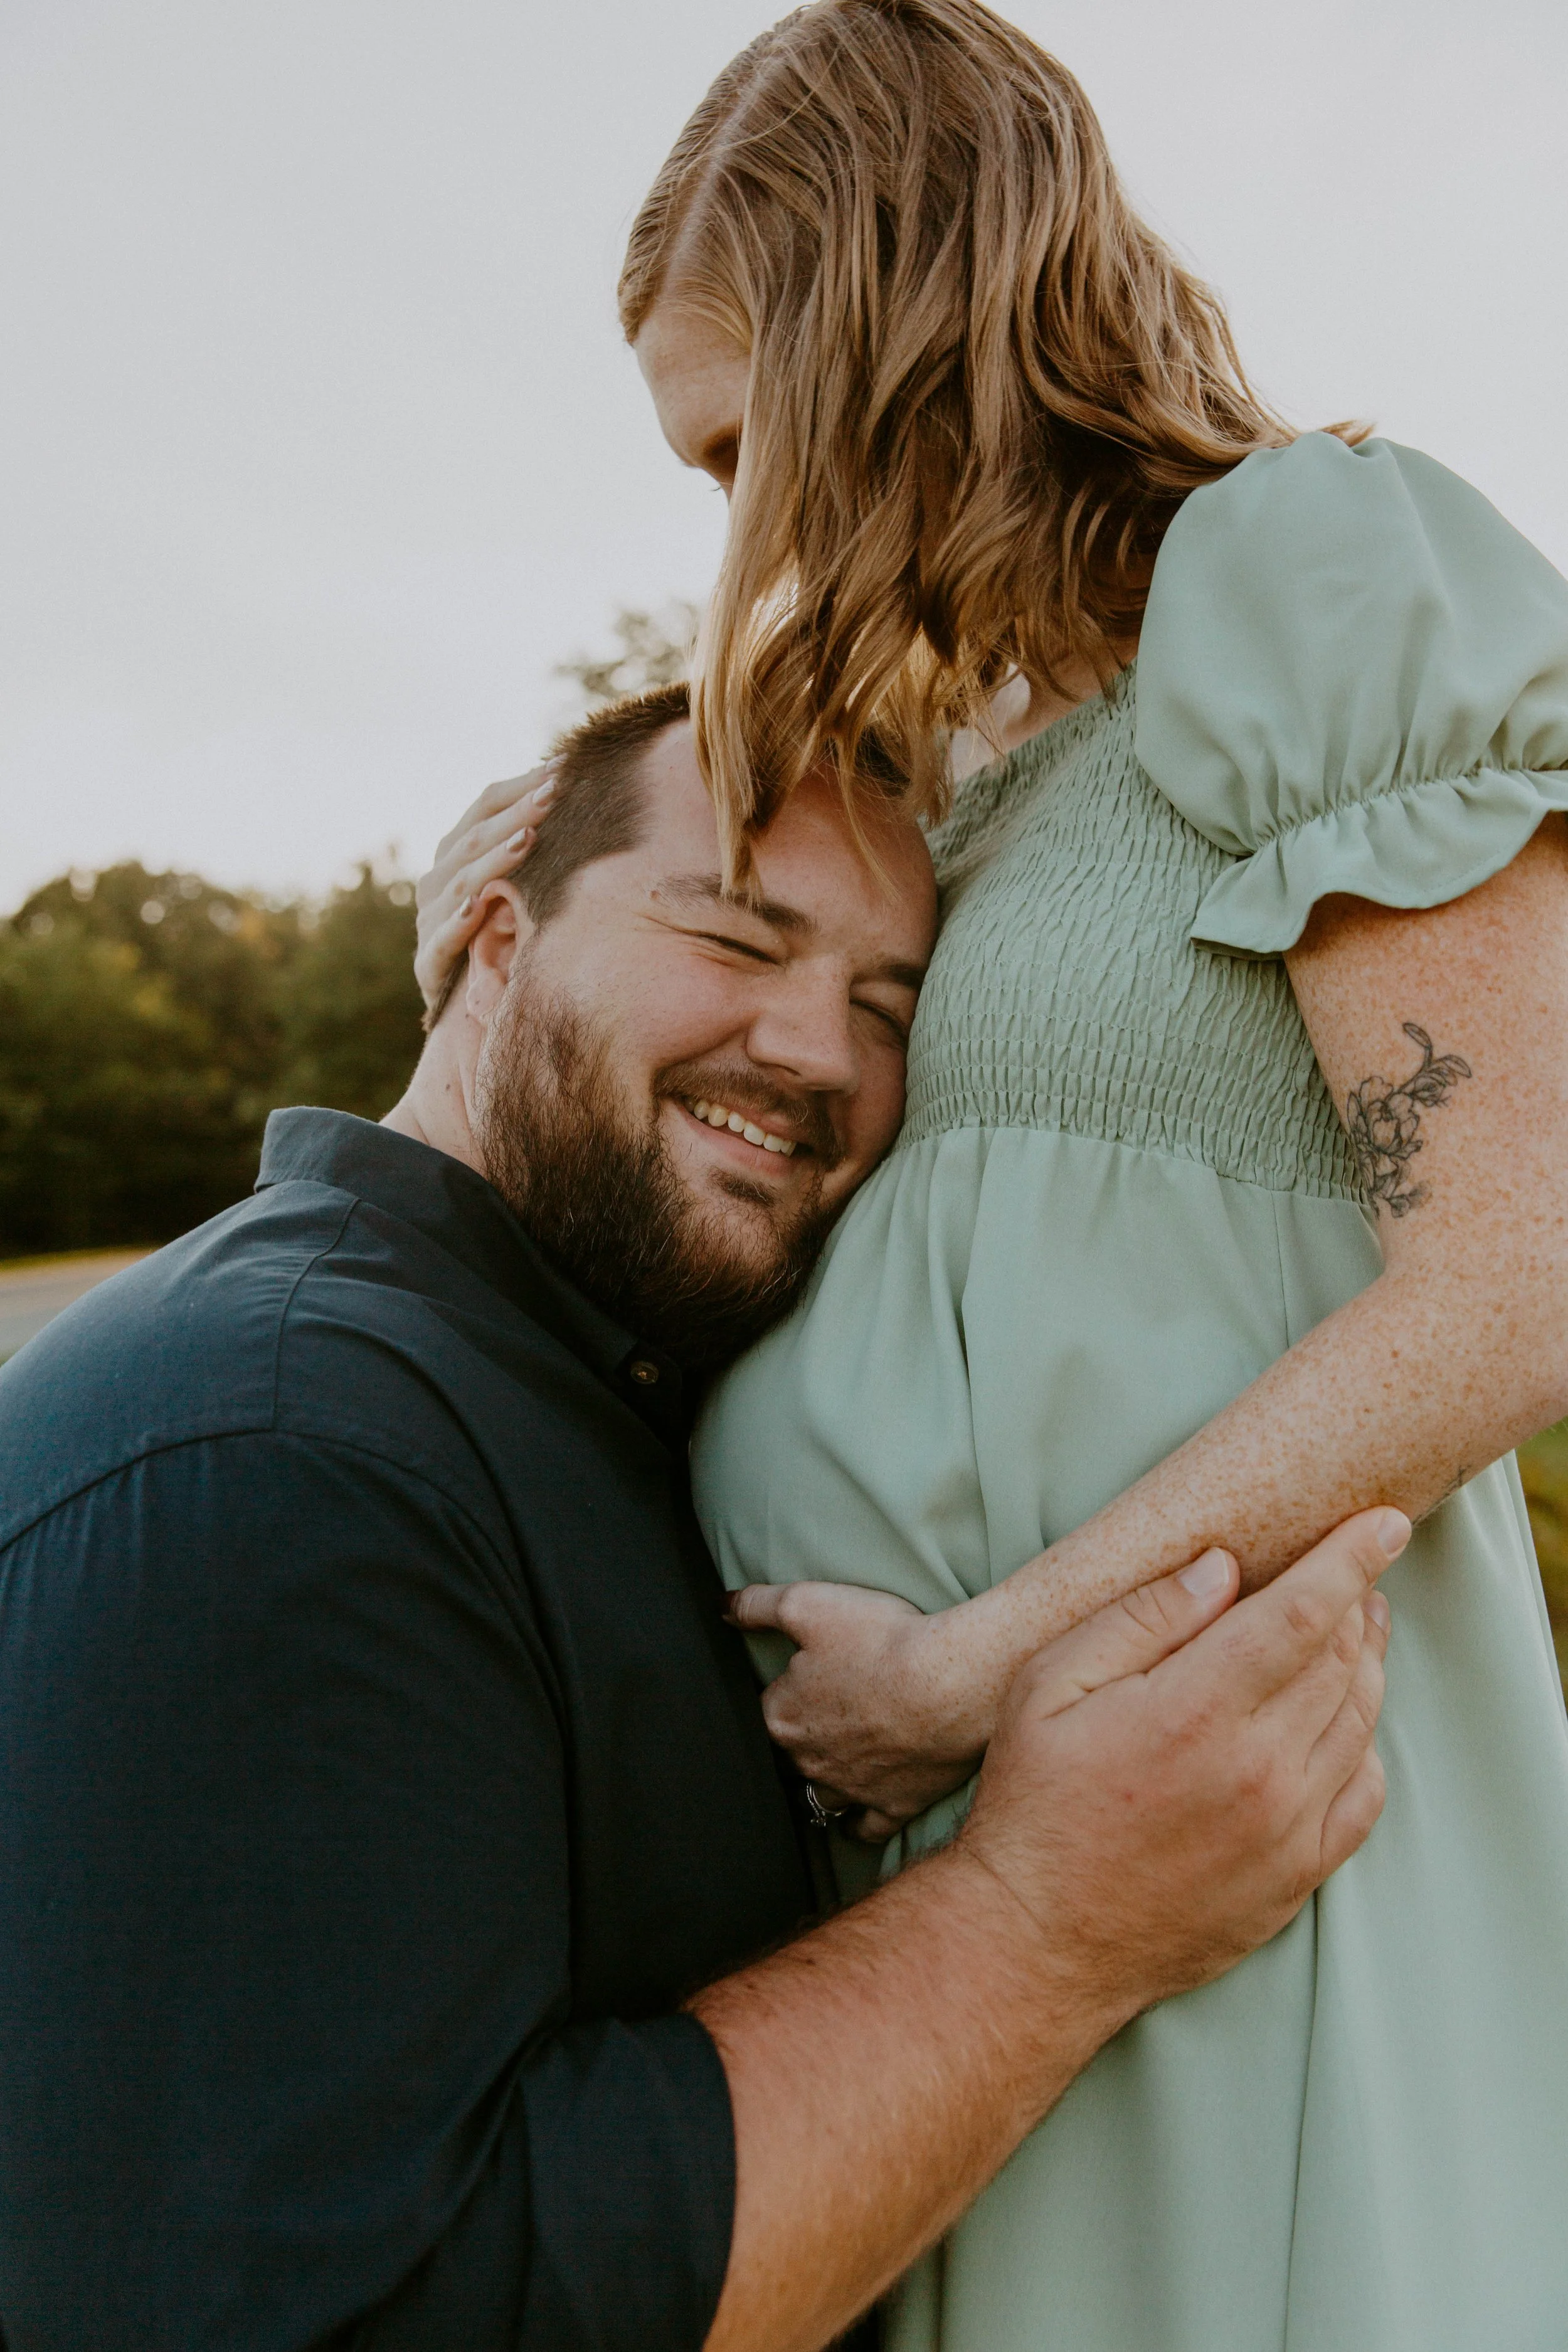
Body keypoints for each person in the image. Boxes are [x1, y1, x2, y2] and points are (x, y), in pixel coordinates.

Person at [420, 6, 1568, 2346]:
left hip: (1242, 1869)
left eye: (744, 439)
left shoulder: (1301, 571)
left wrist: (967, 1670)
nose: (732, 529)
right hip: (941, 1929)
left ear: (896, 320)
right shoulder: (943, 779)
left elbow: (1523, 1266)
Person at [0, 685, 1395, 2352]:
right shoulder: (282, 1447)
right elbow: (375, 2311)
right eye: (735, 936)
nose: (820, 1053)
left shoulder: (570, 1389)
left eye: (888, 1005)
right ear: (496, 943)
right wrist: (1052, 1922)